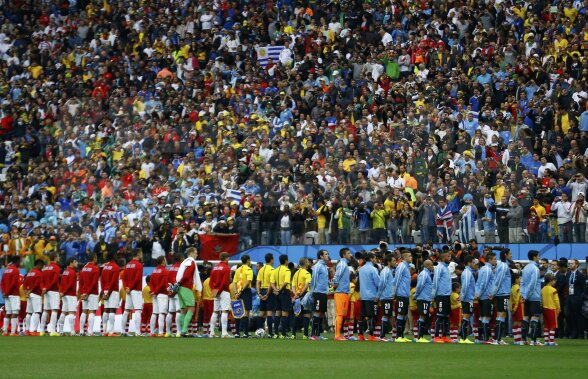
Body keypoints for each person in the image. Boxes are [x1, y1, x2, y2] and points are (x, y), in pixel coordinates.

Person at [172, 247, 202, 338]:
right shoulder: (191, 262)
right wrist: (180, 283)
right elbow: (187, 275)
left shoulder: (184, 262)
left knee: (183, 309)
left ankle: (182, 331)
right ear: (192, 252)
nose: (197, 254)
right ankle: (184, 331)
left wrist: (178, 284)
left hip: (180, 287)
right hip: (186, 287)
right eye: (196, 252)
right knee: (191, 308)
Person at [490, 250, 512, 345]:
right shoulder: (503, 266)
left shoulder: (502, 265)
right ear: (505, 255)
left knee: (501, 315)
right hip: (502, 294)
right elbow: (498, 280)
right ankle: (497, 339)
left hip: (501, 293)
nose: (511, 255)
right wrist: (493, 293)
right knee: (501, 315)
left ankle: (497, 338)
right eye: (510, 253)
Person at [521, 250, 543, 346]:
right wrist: (526, 295)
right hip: (534, 296)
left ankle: (523, 339)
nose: (539, 258)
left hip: (526, 296)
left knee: (526, 317)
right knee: (535, 317)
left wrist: (523, 294)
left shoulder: (525, 268)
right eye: (538, 256)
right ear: (534, 257)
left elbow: (522, 283)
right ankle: (534, 340)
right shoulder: (535, 268)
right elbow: (533, 284)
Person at [391, 251, 412, 342]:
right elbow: (396, 279)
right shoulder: (401, 266)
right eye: (410, 256)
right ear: (404, 258)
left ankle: (402, 335)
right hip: (400, 294)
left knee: (403, 314)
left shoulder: (406, 267)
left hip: (405, 294)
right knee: (400, 314)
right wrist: (393, 293)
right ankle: (398, 336)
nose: (411, 257)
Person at [122, 249, 144, 336]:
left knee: (126, 310)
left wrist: (126, 288)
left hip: (128, 291)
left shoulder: (127, 265)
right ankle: (137, 332)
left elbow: (123, 278)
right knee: (138, 310)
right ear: (138, 254)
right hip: (135, 290)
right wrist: (130, 288)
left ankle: (123, 331)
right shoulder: (139, 265)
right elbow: (137, 278)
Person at [358, 251, 380, 341]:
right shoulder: (373, 269)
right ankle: (371, 336)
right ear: (371, 259)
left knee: (362, 316)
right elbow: (378, 282)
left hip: (363, 295)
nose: (375, 259)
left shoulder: (361, 269)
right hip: (371, 295)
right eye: (374, 258)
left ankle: (360, 335)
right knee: (372, 316)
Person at [432, 250, 453, 343]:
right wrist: (434, 294)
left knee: (445, 316)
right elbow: (435, 281)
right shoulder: (439, 267)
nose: (450, 258)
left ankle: (444, 336)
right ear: (443, 258)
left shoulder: (447, 268)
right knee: (439, 316)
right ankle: (436, 336)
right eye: (448, 257)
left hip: (447, 295)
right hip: (440, 295)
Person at [209, 252, 231, 338]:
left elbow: (210, 281)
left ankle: (212, 332)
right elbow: (225, 282)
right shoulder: (226, 268)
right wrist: (220, 291)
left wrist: (214, 290)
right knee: (225, 311)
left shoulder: (214, 268)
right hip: (224, 291)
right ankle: (224, 333)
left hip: (215, 290)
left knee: (215, 311)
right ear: (226, 258)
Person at [309, 250, 330, 341]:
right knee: (317, 312)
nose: (327, 255)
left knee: (321, 313)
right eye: (326, 254)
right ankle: (313, 334)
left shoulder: (325, 266)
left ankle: (318, 334)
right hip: (317, 292)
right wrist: (312, 292)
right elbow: (314, 279)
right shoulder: (317, 266)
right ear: (321, 256)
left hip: (323, 293)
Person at [475, 251, 495, 343]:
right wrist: (479, 294)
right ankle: (486, 338)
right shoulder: (487, 269)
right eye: (494, 259)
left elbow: (479, 283)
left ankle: (480, 338)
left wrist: (478, 294)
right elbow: (484, 283)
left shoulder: (482, 269)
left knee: (482, 317)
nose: (495, 261)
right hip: (486, 296)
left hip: (482, 296)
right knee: (486, 317)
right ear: (490, 260)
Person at [231, 254, 253, 338]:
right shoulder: (249, 269)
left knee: (238, 311)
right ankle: (245, 333)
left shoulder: (238, 270)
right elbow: (248, 282)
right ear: (248, 260)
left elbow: (234, 283)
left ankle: (236, 333)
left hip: (238, 291)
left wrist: (236, 293)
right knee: (246, 312)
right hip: (245, 291)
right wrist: (241, 291)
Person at [39, 252, 60, 336]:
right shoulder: (56, 268)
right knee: (54, 310)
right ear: (55, 257)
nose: (58, 258)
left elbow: (41, 281)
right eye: (57, 257)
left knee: (45, 310)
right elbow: (55, 280)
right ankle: (52, 331)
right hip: (53, 291)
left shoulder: (46, 268)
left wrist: (43, 289)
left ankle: (42, 331)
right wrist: (47, 288)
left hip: (46, 292)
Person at [270, 254, 291, 338]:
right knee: (285, 313)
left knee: (277, 313)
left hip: (277, 293)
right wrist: (280, 290)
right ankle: (283, 333)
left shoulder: (275, 270)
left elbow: (271, 282)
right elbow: (286, 282)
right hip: (284, 292)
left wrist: (275, 289)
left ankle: (276, 333)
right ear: (286, 260)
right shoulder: (287, 270)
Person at [78, 253, 100, 336]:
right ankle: (90, 331)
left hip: (84, 293)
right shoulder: (95, 269)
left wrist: (82, 293)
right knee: (92, 312)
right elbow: (94, 282)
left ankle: (81, 331)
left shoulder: (83, 269)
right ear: (94, 258)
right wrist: (88, 292)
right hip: (92, 293)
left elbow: (80, 282)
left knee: (84, 311)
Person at [332, 248, 351, 341]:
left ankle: (339, 334)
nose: (350, 255)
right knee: (339, 314)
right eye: (348, 253)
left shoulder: (344, 264)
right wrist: (334, 286)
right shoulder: (342, 264)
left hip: (344, 292)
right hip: (340, 292)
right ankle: (337, 335)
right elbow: (336, 276)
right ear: (344, 255)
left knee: (342, 314)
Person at [376, 254, 396, 342]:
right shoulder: (385, 271)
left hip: (389, 297)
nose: (395, 262)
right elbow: (382, 284)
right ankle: (382, 336)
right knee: (386, 315)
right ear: (389, 262)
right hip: (386, 297)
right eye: (394, 261)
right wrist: (378, 296)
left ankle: (391, 335)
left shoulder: (389, 271)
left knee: (389, 315)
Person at [291, 257, 312, 339]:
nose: (309, 263)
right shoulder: (307, 273)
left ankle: (293, 334)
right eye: (308, 261)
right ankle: (305, 335)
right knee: (306, 314)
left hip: (296, 295)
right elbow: (307, 285)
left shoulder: (296, 273)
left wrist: (295, 293)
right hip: (304, 295)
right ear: (306, 262)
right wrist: (301, 294)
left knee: (296, 314)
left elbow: (292, 285)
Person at [100, 252, 120, 336]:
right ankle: (111, 331)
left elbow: (102, 280)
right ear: (113, 257)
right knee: (112, 310)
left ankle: (104, 331)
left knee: (106, 310)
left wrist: (104, 290)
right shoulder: (116, 267)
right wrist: (109, 292)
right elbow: (114, 281)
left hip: (105, 290)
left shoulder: (105, 267)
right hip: (113, 291)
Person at [256, 253, 276, 337]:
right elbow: (271, 284)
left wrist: (259, 293)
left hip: (262, 290)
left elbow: (258, 282)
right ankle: (270, 333)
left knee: (261, 313)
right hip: (269, 291)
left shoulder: (261, 269)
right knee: (269, 313)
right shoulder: (272, 270)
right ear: (271, 259)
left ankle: (259, 331)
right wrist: (267, 294)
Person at [414, 259, 434, 343]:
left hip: (426, 298)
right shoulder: (424, 274)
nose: (432, 267)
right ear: (428, 265)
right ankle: (419, 337)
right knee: (422, 316)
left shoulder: (427, 274)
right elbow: (420, 285)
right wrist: (416, 295)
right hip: (423, 298)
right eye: (431, 265)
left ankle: (420, 336)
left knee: (424, 316)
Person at [1, 256, 21, 336]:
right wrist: (8, 292)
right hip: (14, 294)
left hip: (6, 295)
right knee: (15, 312)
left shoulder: (6, 270)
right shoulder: (16, 270)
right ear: (17, 261)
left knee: (8, 312)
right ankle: (13, 332)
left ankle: (5, 332)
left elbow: (2, 282)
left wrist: (4, 292)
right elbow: (13, 283)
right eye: (20, 261)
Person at [57, 257, 78, 336]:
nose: (77, 263)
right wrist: (65, 292)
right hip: (71, 294)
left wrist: (61, 292)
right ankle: (72, 332)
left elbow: (62, 283)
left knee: (63, 312)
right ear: (71, 262)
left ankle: (61, 331)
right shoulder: (72, 272)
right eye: (75, 262)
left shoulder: (65, 272)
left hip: (64, 295)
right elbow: (70, 284)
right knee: (71, 312)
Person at [149, 256, 169, 337]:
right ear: (163, 261)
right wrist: (156, 291)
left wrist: (153, 291)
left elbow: (150, 282)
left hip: (155, 294)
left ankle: (152, 332)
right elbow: (163, 284)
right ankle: (161, 332)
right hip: (162, 294)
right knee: (162, 313)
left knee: (154, 313)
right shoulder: (165, 271)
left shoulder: (154, 271)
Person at [566, 259, 586, 339]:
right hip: (569, 298)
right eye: (569, 263)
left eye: (572, 263)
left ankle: (580, 333)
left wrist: (581, 297)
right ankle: (573, 332)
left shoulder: (580, 275)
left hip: (577, 298)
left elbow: (584, 287)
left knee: (578, 316)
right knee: (570, 316)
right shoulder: (568, 274)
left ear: (577, 265)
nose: (570, 265)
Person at [24, 260, 44, 336]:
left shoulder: (29, 273)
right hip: (36, 294)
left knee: (29, 312)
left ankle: (27, 330)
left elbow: (25, 284)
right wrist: (31, 291)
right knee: (37, 312)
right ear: (39, 265)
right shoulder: (39, 273)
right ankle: (35, 331)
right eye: (42, 266)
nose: (42, 267)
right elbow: (36, 284)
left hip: (29, 296)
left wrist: (26, 292)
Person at [459, 256, 476, 344]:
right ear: (469, 263)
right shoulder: (467, 273)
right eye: (473, 262)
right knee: (466, 318)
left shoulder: (468, 272)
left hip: (469, 297)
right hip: (467, 298)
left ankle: (463, 337)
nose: (474, 264)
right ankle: (463, 338)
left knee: (467, 318)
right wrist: (462, 297)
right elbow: (465, 286)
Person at [541, 274, 561, 346]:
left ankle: (546, 341)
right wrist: (558, 309)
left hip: (544, 308)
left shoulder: (543, 289)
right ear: (550, 281)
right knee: (552, 326)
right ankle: (551, 341)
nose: (555, 282)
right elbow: (556, 300)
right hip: (552, 309)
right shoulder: (553, 290)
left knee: (546, 325)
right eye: (554, 280)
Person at [166, 254, 183, 337]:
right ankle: (178, 332)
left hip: (171, 291)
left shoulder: (171, 267)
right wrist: (175, 291)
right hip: (178, 292)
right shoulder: (181, 267)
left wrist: (170, 291)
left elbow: (168, 280)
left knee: (170, 312)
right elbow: (180, 280)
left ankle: (167, 332)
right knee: (178, 311)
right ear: (181, 258)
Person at [511, 273, 524, 345]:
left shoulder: (512, 287)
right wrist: (515, 308)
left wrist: (512, 308)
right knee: (519, 323)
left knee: (515, 322)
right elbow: (517, 299)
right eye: (519, 278)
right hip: (518, 306)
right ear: (516, 279)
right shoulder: (518, 287)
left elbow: (511, 298)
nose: (520, 280)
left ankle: (516, 339)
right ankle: (518, 340)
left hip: (513, 305)